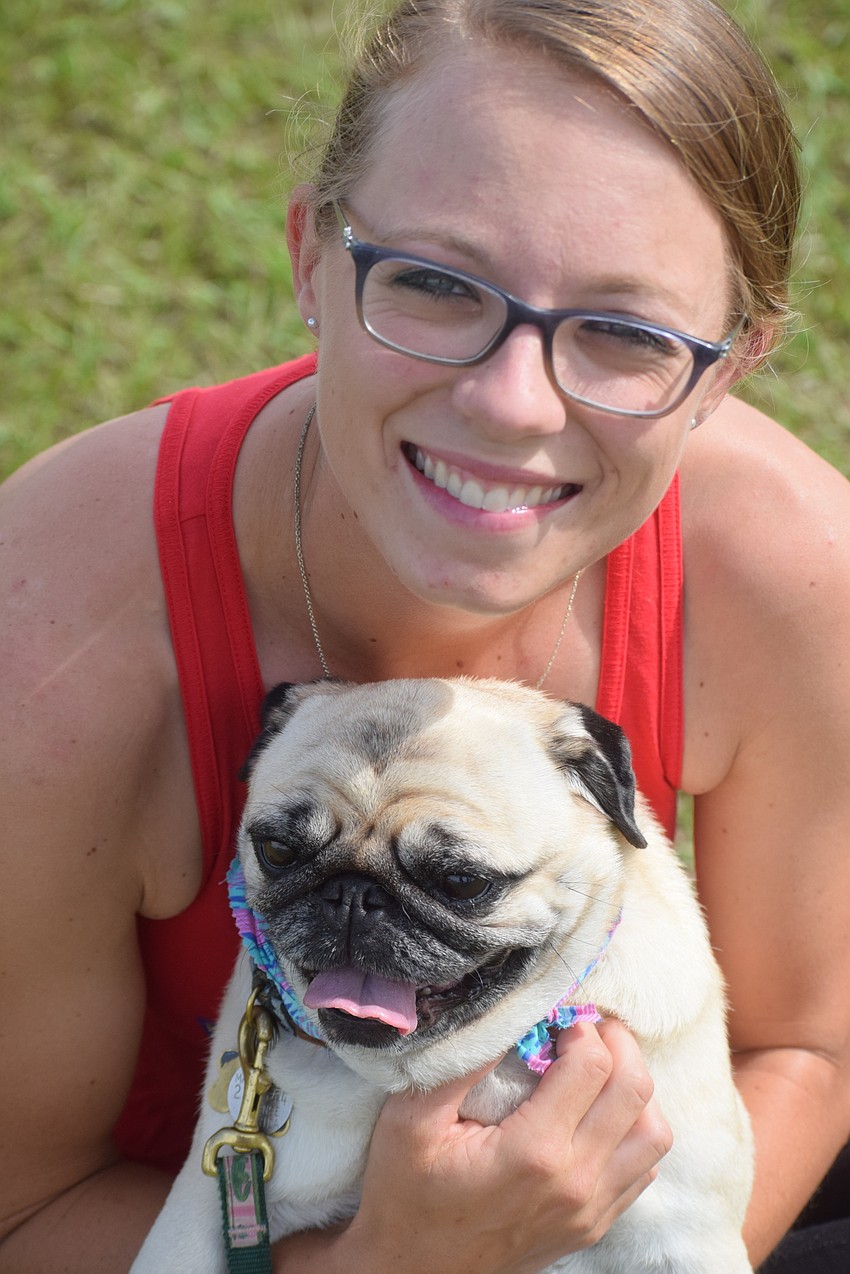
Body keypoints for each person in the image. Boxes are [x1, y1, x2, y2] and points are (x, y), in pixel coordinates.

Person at [1, 0, 849, 1269]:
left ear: (727, 369)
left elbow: (806, 1048)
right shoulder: (52, 646)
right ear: (307, 259)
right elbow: (21, 1212)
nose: (512, 404)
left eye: (623, 331)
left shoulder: (790, 571)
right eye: (439, 285)